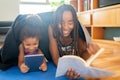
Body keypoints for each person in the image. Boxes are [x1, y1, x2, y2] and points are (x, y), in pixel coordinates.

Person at [48, 4, 100, 79]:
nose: (65, 27)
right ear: (56, 22)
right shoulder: (52, 29)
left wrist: (90, 51)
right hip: (62, 65)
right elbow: (55, 58)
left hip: (75, 64)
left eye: (70, 23)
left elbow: (83, 58)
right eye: (61, 23)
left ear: (75, 23)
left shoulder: (77, 32)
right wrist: (66, 70)